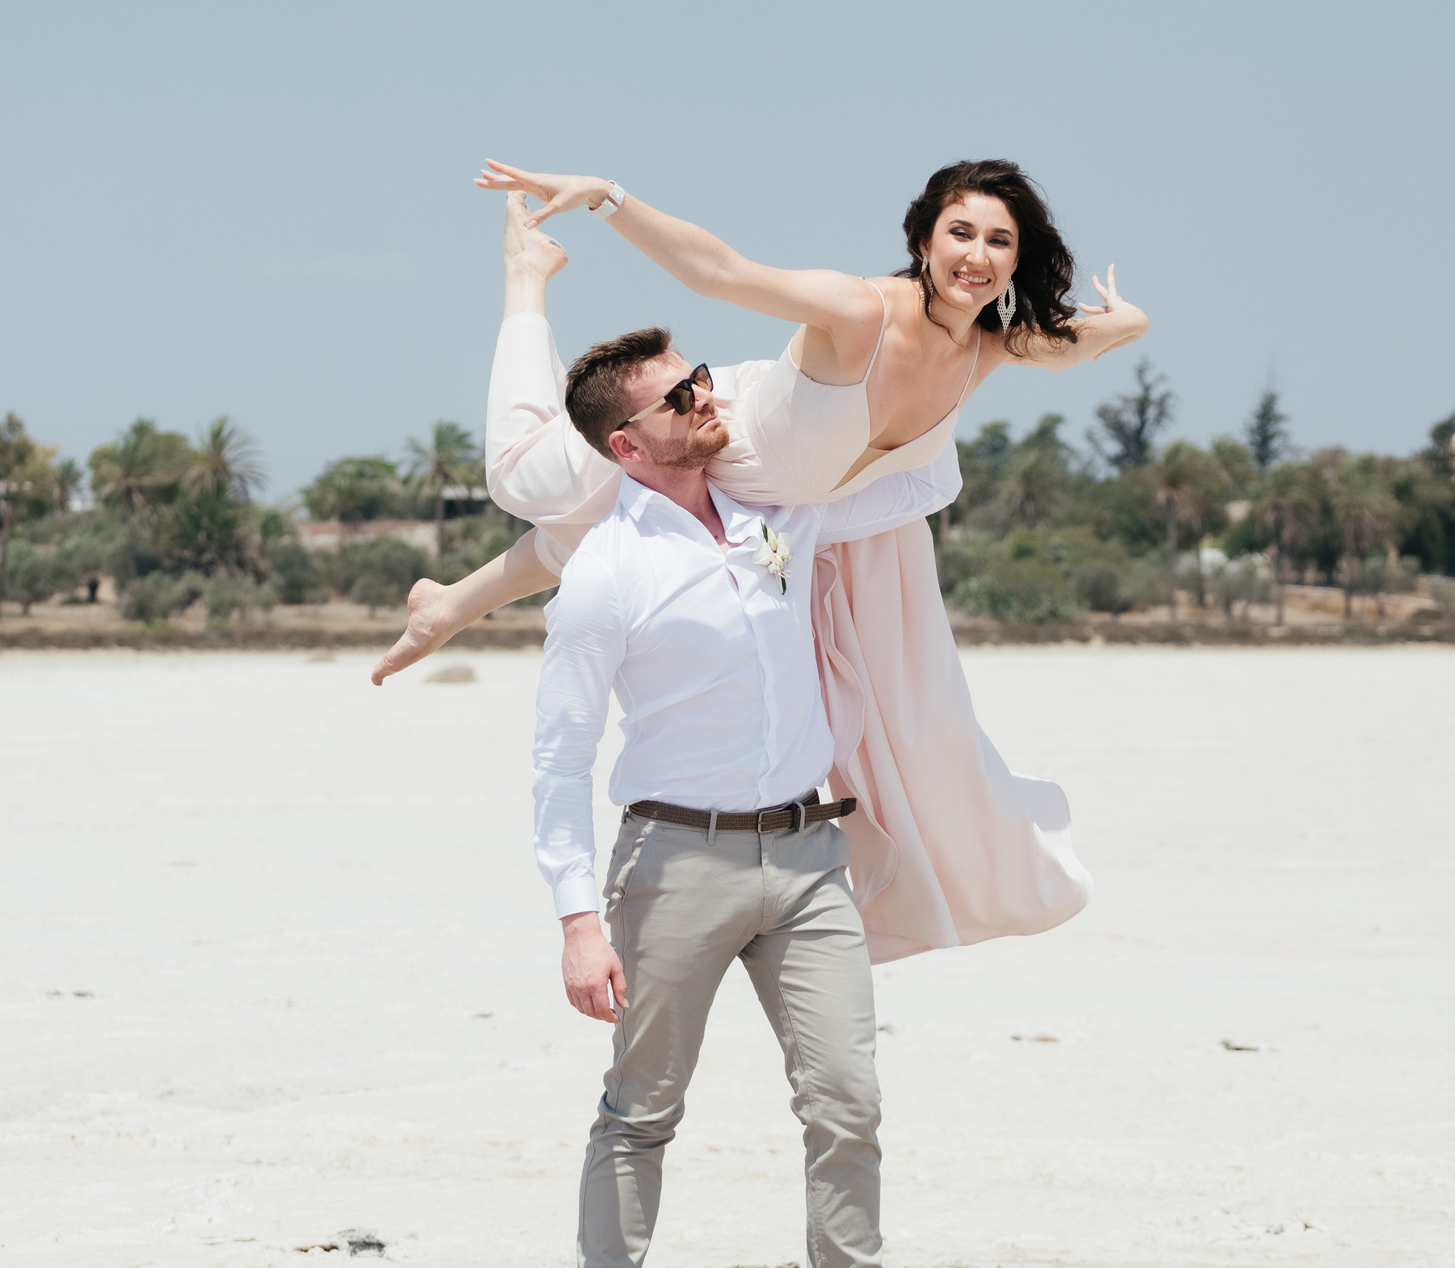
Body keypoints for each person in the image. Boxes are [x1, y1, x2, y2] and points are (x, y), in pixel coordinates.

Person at [383, 164, 1148, 963]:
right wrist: (610, 198)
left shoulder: (985, 345)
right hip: (713, 433)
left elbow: (1067, 347)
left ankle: (447, 604)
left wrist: (1130, 320)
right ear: (923, 241)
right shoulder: (861, 310)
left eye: (1000, 241)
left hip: (804, 497)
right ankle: (525, 277)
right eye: (960, 233)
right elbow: (721, 271)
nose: (977, 256)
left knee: (598, 533)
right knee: (519, 478)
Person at [536, 311, 963, 1268]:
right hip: (674, 861)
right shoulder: (604, 575)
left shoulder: (779, 512)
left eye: (705, 380)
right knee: (640, 1111)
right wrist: (580, 921)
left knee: (847, 1102)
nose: (709, 399)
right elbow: (560, 758)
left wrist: (959, 339)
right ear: (627, 445)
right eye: (681, 397)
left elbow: (917, 479)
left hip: (812, 854)